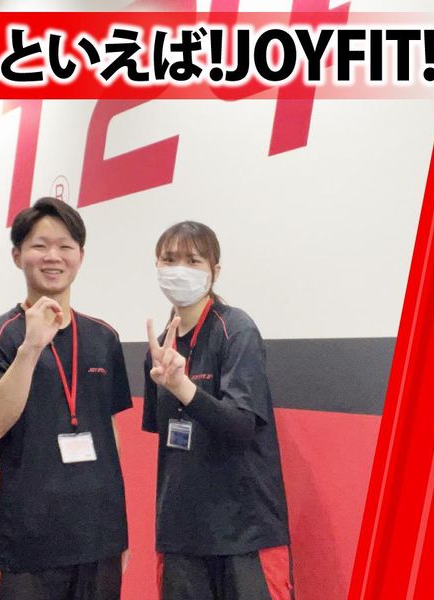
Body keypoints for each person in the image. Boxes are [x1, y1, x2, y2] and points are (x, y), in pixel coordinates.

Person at [0, 197, 132, 600]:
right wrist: (30, 349)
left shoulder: (103, 337)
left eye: (65, 246)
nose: (53, 257)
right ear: (17, 256)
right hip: (26, 543)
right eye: (39, 246)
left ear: (81, 256)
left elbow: (109, 432)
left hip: (99, 542)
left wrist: (118, 528)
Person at [143, 221, 294, 600]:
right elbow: (168, 438)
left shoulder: (236, 330)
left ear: (215, 270)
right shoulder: (160, 348)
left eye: (193, 260)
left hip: (243, 532)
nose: (180, 269)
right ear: (157, 266)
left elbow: (241, 426)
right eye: (169, 259)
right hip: (181, 536)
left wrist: (183, 387)